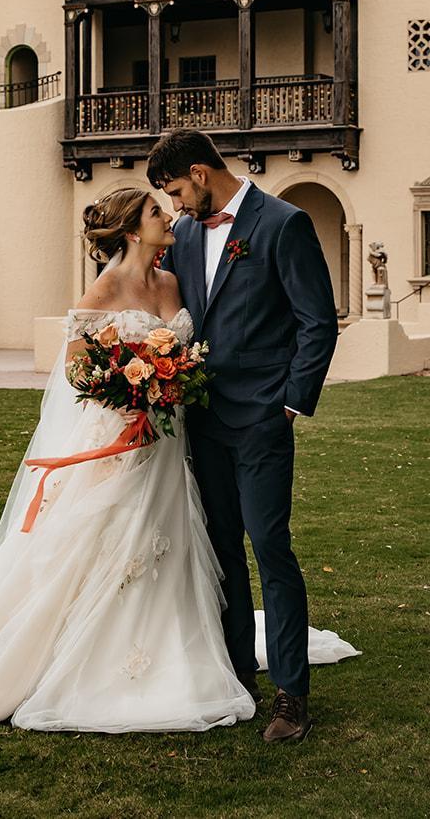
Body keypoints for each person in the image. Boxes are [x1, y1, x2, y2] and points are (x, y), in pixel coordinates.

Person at [0, 184, 355, 734]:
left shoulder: (172, 278)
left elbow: (200, 339)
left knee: (186, 542)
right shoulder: (105, 289)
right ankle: (105, 656)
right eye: (156, 210)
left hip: (175, 441)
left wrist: (170, 384)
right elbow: (76, 370)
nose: (170, 215)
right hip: (124, 441)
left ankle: (207, 653)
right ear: (133, 230)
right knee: (117, 540)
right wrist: (130, 392)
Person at [146, 129, 340, 743]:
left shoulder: (284, 224)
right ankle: (236, 677)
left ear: (200, 174)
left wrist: (290, 405)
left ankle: (291, 695)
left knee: (270, 548)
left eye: (176, 191)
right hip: (200, 421)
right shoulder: (181, 236)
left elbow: (317, 322)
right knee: (221, 552)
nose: (175, 206)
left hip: (262, 419)